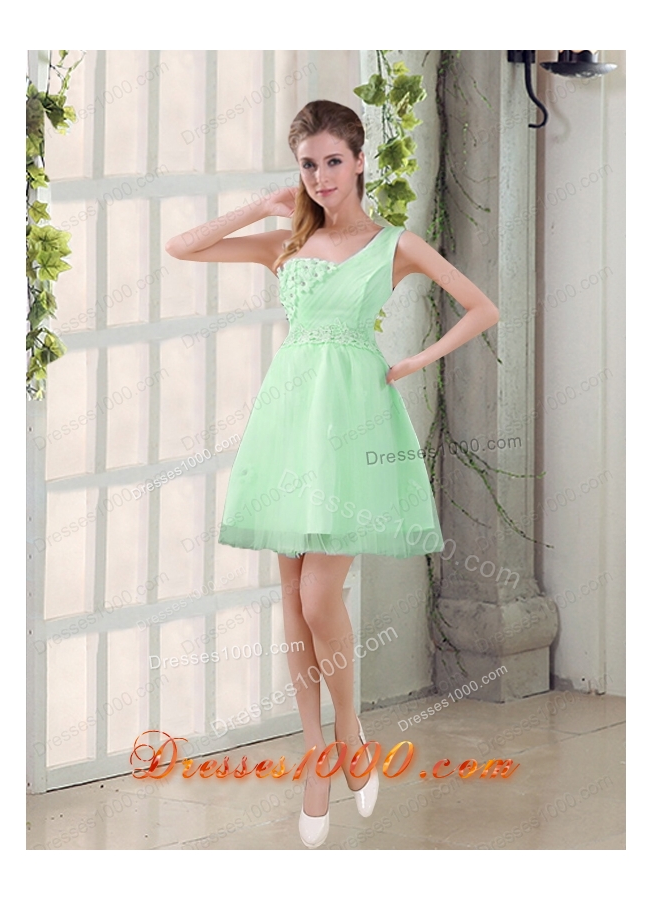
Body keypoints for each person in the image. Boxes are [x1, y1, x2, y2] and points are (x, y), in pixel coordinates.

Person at [166, 99, 499, 849]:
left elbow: (481, 308)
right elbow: (181, 246)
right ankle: (318, 756)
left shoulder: (393, 245)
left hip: (352, 425)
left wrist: (414, 361)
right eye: (308, 164)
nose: (320, 177)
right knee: (291, 595)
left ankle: (351, 731)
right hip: (288, 420)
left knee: (319, 597)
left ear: (359, 162)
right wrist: (262, 204)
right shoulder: (285, 244)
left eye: (333, 161)